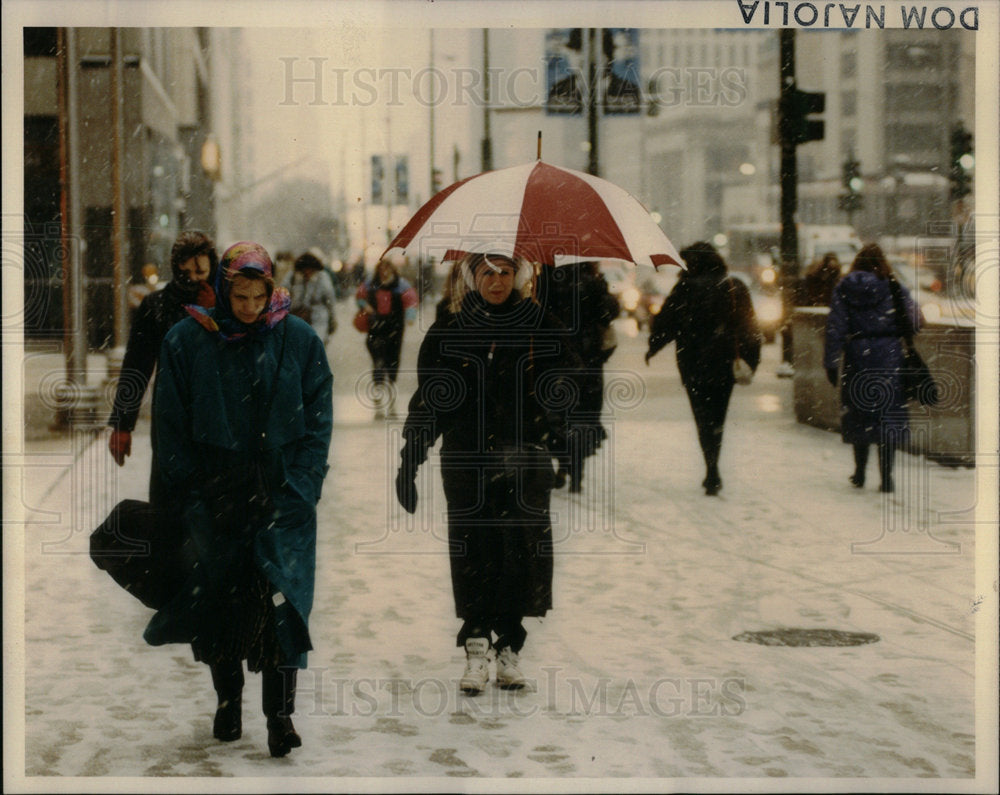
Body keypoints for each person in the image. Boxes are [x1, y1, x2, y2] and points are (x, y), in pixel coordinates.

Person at [144, 241, 333, 758]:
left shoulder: (298, 340)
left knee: (282, 603)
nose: (249, 308)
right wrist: (190, 494)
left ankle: (281, 717)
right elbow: (170, 426)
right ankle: (228, 698)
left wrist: (303, 486)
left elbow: (319, 420)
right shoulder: (188, 340)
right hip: (215, 494)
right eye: (240, 296)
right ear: (224, 291)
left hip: (283, 495)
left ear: (272, 290)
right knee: (221, 601)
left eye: (258, 296)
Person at [394, 251, 577, 695]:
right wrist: (409, 462)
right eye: (488, 273)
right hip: (466, 458)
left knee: (521, 554)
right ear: (473, 277)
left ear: (519, 276)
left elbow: (570, 391)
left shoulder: (543, 327)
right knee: (474, 552)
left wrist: (558, 434)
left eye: (506, 272)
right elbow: (430, 402)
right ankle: (476, 647)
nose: (497, 282)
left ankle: (510, 647)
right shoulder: (449, 331)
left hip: (524, 460)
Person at [107, 230, 218, 507]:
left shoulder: (227, 303)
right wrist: (122, 424)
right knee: (169, 494)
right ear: (176, 269)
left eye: (201, 272)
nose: (194, 279)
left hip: (217, 413)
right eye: (186, 273)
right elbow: (137, 365)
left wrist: (214, 315)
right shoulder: (156, 306)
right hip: (172, 413)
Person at [645, 242, 762, 496]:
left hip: (693, 362)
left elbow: (666, 321)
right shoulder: (734, 286)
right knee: (719, 414)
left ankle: (710, 465)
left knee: (702, 416)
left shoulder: (686, 287)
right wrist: (752, 360)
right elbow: (750, 329)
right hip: (724, 363)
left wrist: (653, 346)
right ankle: (714, 462)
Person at [823, 243, 922, 493]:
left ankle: (859, 472)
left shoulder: (844, 287)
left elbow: (835, 326)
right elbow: (915, 320)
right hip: (889, 355)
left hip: (857, 355)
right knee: (887, 416)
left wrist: (831, 361)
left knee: (860, 413)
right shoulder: (893, 286)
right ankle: (886, 477)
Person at [541, 262, 619, 492]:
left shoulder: (547, 278)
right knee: (583, 416)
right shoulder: (593, 282)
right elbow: (608, 314)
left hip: (554, 358)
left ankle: (562, 462)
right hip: (588, 360)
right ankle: (576, 471)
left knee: (557, 414)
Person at [356, 256, 418, 418]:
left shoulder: (400, 285)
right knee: (378, 363)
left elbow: (411, 301)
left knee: (392, 363)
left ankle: (390, 402)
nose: (384, 272)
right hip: (376, 327)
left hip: (394, 328)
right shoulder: (371, 284)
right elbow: (360, 297)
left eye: (387, 268)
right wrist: (365, 307)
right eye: (382, 268)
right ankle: (379, 402)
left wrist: (410, 316)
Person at [286, 251, 338, 344]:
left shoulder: (323, 277)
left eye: (310, 269)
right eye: (305, 269)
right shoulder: (292, 276)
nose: (307, 272)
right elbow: (283, 294)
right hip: (296, 317)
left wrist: (332, 318)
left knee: (316, 344)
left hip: (318, 317)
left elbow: (330, 299)